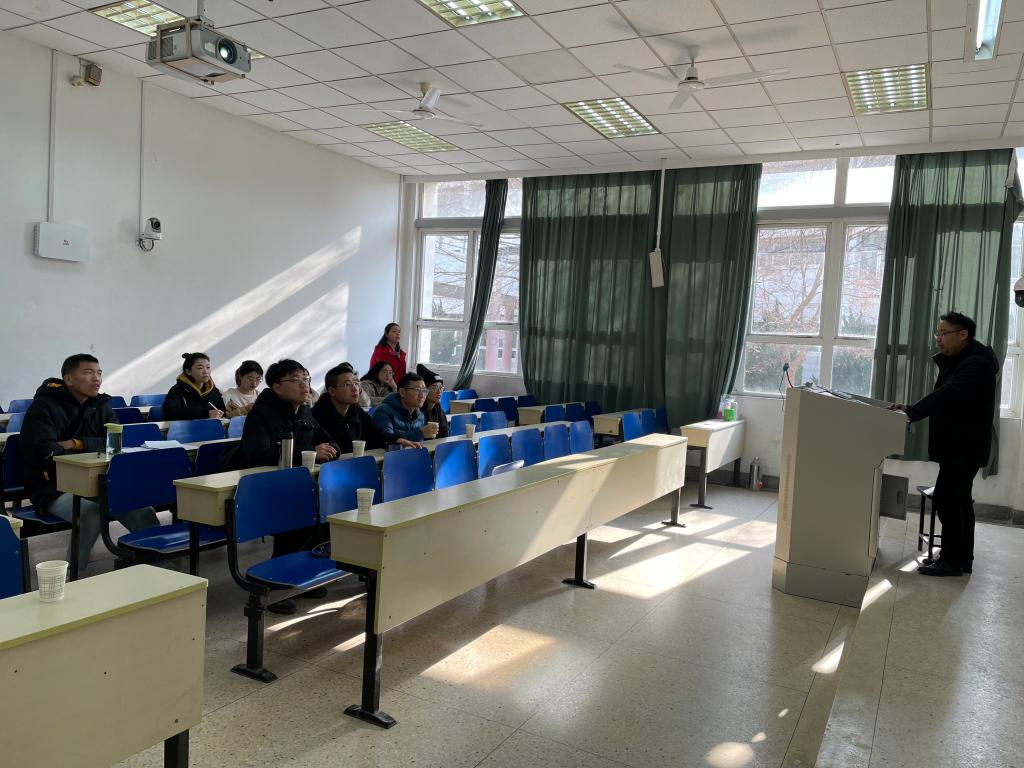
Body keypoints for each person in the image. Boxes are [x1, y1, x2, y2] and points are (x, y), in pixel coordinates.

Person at [19, 354, 160, 570]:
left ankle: (158, 569)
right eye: (88, 373)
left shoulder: (100, 405)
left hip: (97, 482)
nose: (96, 378)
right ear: (69, 379)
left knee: (142, 510)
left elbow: (114, 441)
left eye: (99, 373)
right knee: (90, 515)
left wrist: (76, 443)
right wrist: (90, 447)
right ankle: (71, 576)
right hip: (53, 485)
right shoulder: (44, 406)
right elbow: (43, 450)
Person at [890, 312, 999, 577]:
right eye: (937, 334)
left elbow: (946, 395)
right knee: (959, 501)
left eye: (943, 333)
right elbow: (945, 397)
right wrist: (911, 408)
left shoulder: (977, 364)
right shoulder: (963, 359)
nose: (938, 339)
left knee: (948, 500)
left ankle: (951, 561)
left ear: (963, 334)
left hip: (964, 447)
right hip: (960, 446)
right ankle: (961, 558)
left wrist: (912, 412)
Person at [237, 359, 340, 614]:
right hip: (264, 486)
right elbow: (258, 454)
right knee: (297, 510)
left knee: (326, 507)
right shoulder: (261, 414)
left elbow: (328, 439)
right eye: (296, 380)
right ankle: (275, 584)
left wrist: (331, 449)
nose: (304, 385)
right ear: (277, 387)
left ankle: (303, 571)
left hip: (295, 482)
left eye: (306, 379)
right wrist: (309, 452)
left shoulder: (304, 411)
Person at [312, 364, 418, 452]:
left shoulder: (356, 411)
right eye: (347, 384)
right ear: (332, 391)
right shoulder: (317, 415)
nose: (355, 388)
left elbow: (376, 434)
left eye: (356, 383)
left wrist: (396, 439)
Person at [371, 373, 439, 443]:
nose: (422, 395)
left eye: (424, 391)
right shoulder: (383, 412)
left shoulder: (420, 415)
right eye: (418, 390)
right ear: (402, 392)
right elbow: (387, 441)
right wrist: (420, 434)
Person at [164, 352, 227, 420]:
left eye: (208, 367)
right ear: (188, 371)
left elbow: (223, 410)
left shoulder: (213, 390)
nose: (206, 371)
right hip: (185, 426)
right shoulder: (177, 390)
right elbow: (171, 412)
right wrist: (206, 413)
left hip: (209, 426)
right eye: (200, 368)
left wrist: (221, 413)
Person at [417, 363, 449, 438]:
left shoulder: (439, 409)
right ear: (424, 390)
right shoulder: (416, 410)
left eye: (441, 388)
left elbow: (444, 433)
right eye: (435, 388)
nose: (439, 392)